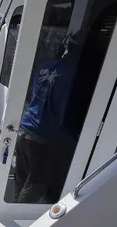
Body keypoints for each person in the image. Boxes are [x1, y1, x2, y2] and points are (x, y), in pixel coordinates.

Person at [13, 31, 83, 203]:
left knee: (22, 181)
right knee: (36, 186)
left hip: (25, 130)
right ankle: (19, 224)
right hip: (44, 137)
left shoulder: (45, 66)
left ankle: (14, 211)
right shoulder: (75, 74)